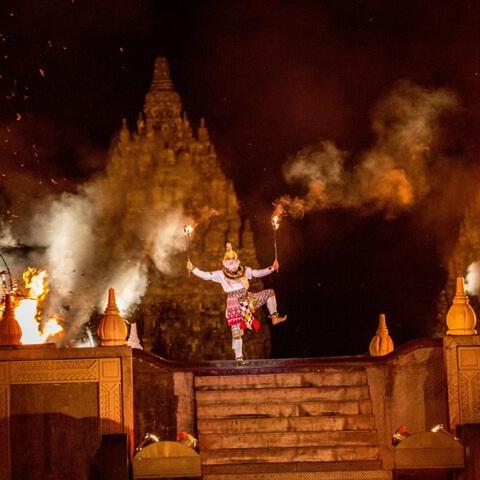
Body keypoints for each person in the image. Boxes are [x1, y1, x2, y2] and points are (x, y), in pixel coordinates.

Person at [187, 242, 286, 365]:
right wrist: (194, 269)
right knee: (236, 332)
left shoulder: (244, 270)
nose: (232, 264)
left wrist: (271, 268)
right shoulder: (220, 274)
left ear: (237, 261)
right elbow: (206, 276)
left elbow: (256, 273)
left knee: (270, 293)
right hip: (234, 304)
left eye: (234, 261)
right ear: (225, 263)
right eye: (229, 262)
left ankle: (274, 317)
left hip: (247, 298)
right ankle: (239, 359)